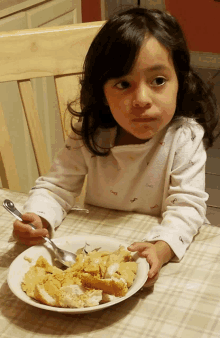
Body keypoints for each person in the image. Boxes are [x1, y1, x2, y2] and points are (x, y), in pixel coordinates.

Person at [13, 7, 218, 287]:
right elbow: (56, 187)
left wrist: (162, 246)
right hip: (98, 250)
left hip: (161, 257)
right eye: (124, 84)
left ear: (180, 81)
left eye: (158, 81)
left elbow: (188, 208)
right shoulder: (92, 133)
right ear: (102, 93)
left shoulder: (185, 137)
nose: (142, 99)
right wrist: (39, 218)